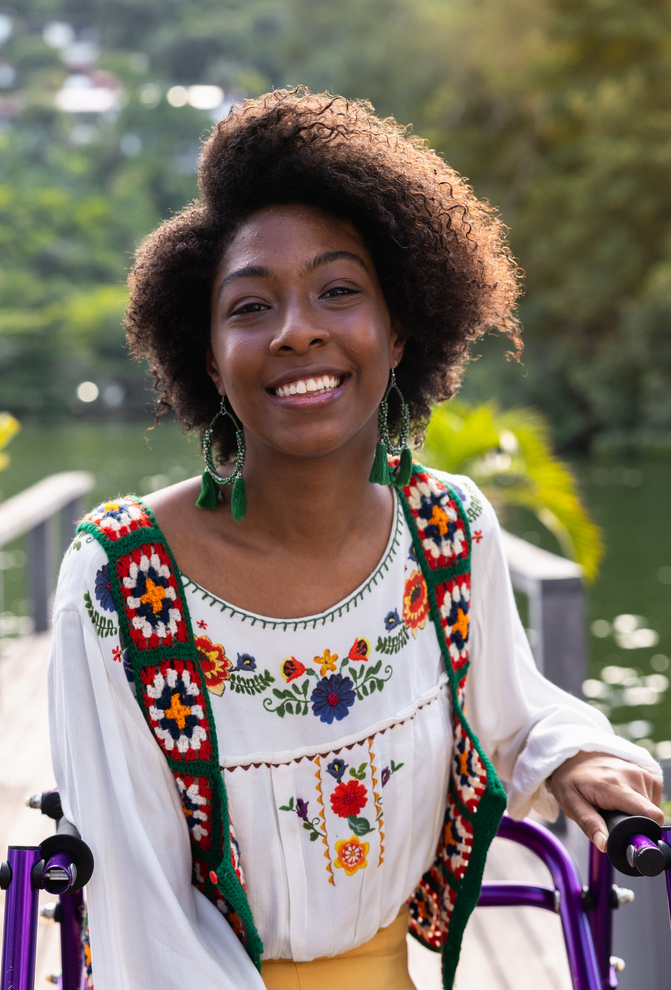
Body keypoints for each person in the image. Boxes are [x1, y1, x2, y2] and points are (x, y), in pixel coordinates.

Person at [48, 88, 662, 990]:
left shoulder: (448, 532)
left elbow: (513, 709)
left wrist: (579, 750)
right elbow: (143, 927)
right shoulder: (116, 587)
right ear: (208, 353)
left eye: (338, 291)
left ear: (399, 325)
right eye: (250, 307)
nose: (297, 330)